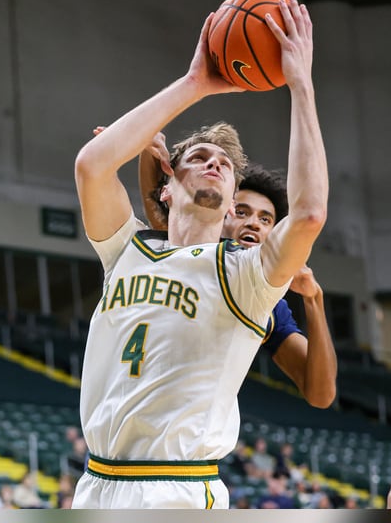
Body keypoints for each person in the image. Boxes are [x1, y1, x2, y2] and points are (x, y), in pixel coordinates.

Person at [72, 0, 328, 509]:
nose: (214, 163)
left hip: (179, 488)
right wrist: (196, 82)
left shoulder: (245, 276)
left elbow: (308, 216)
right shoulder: (125, 249)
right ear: (166, 187)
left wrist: (300, 83)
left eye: (225, 166)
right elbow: (92, 166)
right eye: (197, 157)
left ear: (233, 203)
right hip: (96, 485)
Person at [132, 146, 337, 408]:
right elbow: (161, 209)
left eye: (266, 220)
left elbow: (321, 395)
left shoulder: (264, 299)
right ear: (224, 210)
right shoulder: (190, 249)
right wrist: (147, 150)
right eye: (242, 212)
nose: (254, 223)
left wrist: (314, 299)